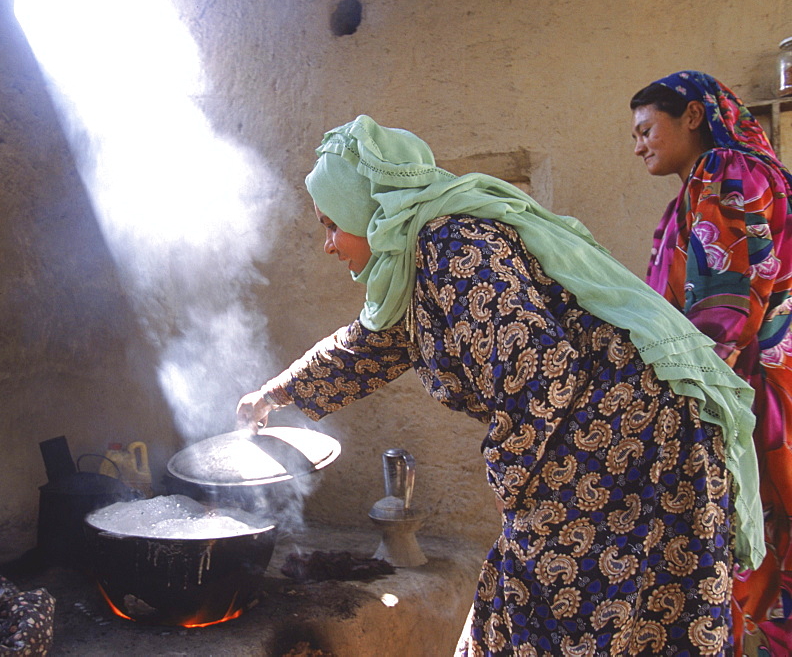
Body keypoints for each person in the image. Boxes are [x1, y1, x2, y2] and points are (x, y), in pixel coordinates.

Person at [236, 115, 762, 655]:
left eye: (331, 224)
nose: (328, 245)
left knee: (565, 615)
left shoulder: (451, 245)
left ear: (367, 215)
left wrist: (509, 483)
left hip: (628, 438)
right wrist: (273, 395)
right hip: (598, 437)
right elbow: (365, 348)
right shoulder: (416, 261)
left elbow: (540, 374)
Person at [631, 70, 792, 655]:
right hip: (757, 382)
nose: (639, 144)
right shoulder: (706, 188)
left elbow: (724, 307)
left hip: (751, 390)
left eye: (648, 128)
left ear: (693, 116)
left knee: (757, 530)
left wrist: (671, 397)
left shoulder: (725, 172)